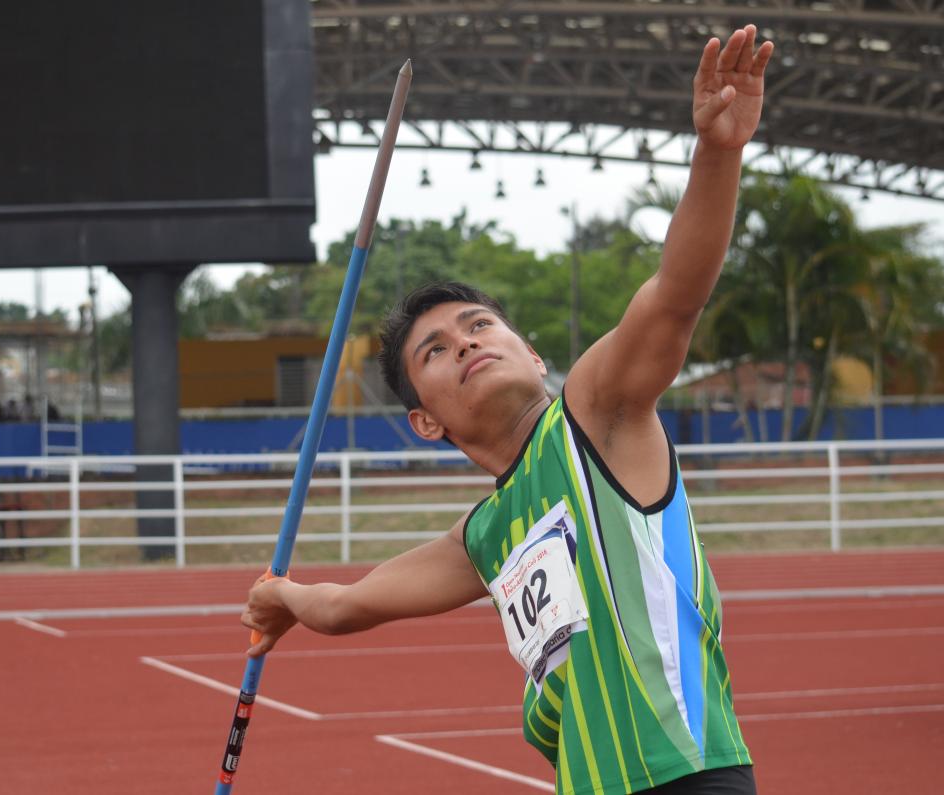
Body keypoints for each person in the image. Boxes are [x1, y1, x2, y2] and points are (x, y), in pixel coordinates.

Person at [243, 25, 774, 795]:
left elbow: (673, 298)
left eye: (479, 325)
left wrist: (718, 153)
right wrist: (280, 598)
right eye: (434, 350)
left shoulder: (596, 415)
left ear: (533, 354)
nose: (463, 343)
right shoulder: (488, 534)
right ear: (426, 420)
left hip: (684, 778)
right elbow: (347, 604)